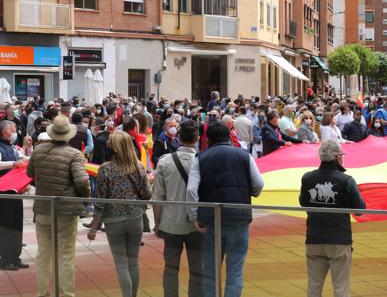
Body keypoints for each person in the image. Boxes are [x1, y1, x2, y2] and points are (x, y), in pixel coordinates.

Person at [186, 121, 264, 297]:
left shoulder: (200, 158)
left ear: (208, 139)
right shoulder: (244, 156)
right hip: (238, 216)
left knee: (211, 272)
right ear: (229, 135)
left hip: (211, 218)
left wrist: (194, 216)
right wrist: (248, 193)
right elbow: (259, 184)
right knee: (235, 270)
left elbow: (191, 190)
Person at [26, 115, 91, 297]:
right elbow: (83, 181)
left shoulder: (39, 151)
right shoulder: (74, 154)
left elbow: (30, 172)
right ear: (68, 136)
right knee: (66, 255)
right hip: (66, 211)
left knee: (43, 254)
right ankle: (66, 294)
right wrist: (84, 201)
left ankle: (43, 293)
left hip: (43, 209)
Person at [87, 132, 151, 297]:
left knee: (121, 263)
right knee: (133, 261)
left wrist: (94, 228)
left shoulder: (105, 169)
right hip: (135, 218)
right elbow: (146, 195)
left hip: (113, 220)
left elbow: (100, 201)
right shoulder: (138, 166)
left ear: (113, 148)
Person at [299, 140, 366, 297]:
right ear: (337, 158)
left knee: (314, 286)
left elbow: (303, 202)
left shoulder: (307, 178)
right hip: (339, 240)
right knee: (340, 287)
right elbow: (360, 210)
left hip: (314, 238)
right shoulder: (346, 180)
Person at [152, 120, 203, 297]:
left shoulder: (165, 161)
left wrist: (157, 223)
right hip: (196, 225)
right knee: (197, 270)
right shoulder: (202, 161)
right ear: (197, 138)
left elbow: (158, 196)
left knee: (171, 268)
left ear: (179, 137)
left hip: (170, 223)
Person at [0, 120, 31, 271]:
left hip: (15, 191)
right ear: (5, 132)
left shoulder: (12, 147)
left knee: (17, 224)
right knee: (6, 225)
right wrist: (13, 164)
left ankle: (15, 257)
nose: (15, 133)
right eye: (13, 130)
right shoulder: (0, 147)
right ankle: (5, 259)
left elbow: (23, 159)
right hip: (3, 193)